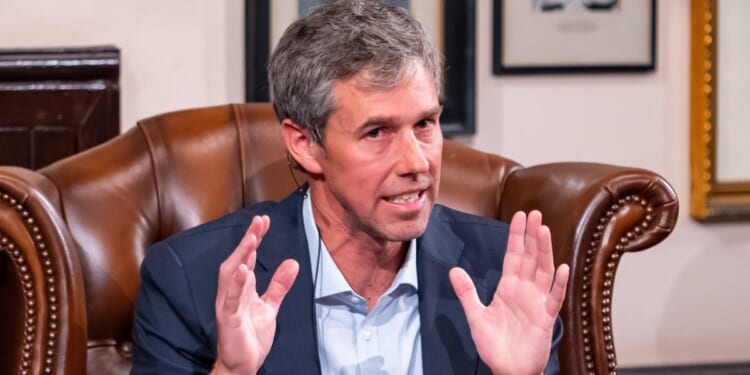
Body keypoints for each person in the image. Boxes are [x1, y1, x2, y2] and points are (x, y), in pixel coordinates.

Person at [131, 1, 570, 374]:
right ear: (305, 145)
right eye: (377, 132)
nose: (417, 162)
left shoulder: (501, 273)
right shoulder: (191, 279)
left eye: (425, 124)